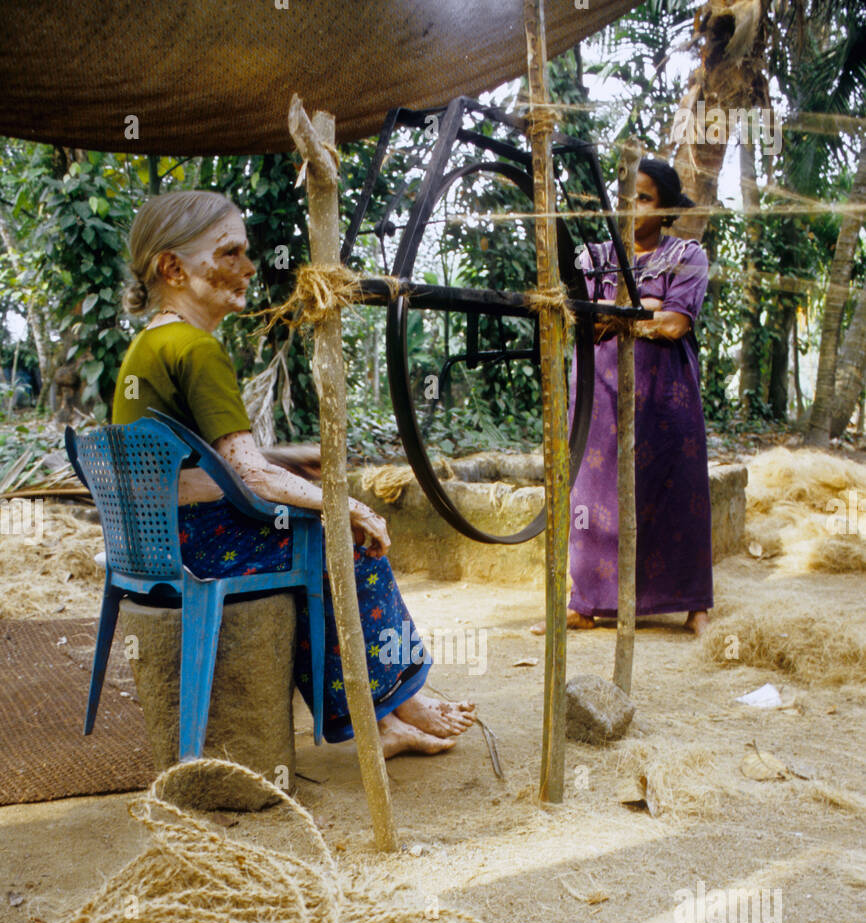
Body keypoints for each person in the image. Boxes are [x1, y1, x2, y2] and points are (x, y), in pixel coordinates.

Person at [111, 189, 475, 756]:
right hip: (196, 548)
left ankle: (390, 710)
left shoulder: (152, 345)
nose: (249, 267)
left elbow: (198, 463)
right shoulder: (195, 349)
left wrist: (283, 460)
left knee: (312, 538)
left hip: (157, 544)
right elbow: (249, 478)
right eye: (229, 253)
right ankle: (387, 714)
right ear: (172, 267)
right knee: (346, 547)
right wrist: (351, 506)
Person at [532, 155, 713, 637]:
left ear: (668, 209)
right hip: (601, 395)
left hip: (666, 398)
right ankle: (585, 603)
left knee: (678, 493)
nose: (632, 207)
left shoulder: (687, 256)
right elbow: (583, 318)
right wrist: (647, 307)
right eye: (626, 196)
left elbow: (675, 324)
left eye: (645, 198)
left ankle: (695, 607)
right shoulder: (593, 258)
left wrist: (625, 315)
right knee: (592, 496)